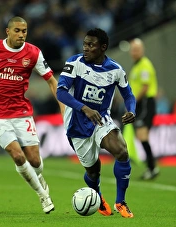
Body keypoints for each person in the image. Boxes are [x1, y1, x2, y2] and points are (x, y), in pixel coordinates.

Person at [0, 16, 64, 214]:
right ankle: (43, 195)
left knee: (35, 161)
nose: (21, 35)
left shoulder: (33, 53)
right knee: (17, 154)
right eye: (17, 30)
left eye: (24, 31)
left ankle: (39, 177)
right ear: (7, 32)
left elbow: (51, 80)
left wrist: (62, 105)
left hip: (20, 111)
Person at [57, 28, 136, 218]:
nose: (86, 48)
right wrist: (84, 108)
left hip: (101, 118)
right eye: (85, 44)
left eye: (91, 45)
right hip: (77, 123)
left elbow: (128, 95)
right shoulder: (75, 63)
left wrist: (131, 110)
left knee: (121, 150)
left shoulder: (115, 69)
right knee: (93, 171)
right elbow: (61, 92)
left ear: (103, 47)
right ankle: (98, 198)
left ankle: (120, 202)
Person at [128, 38, 159, 180]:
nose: (134, 52)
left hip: (145, 103)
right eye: (133, 49)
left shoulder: (145, 65)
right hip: (140, 103)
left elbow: (145, 87)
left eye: (137, 49)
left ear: (142, 50)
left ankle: (152, 167)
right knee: (141, 136)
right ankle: (151, 167)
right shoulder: (136, 66)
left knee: (142, 135)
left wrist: (133, 101)